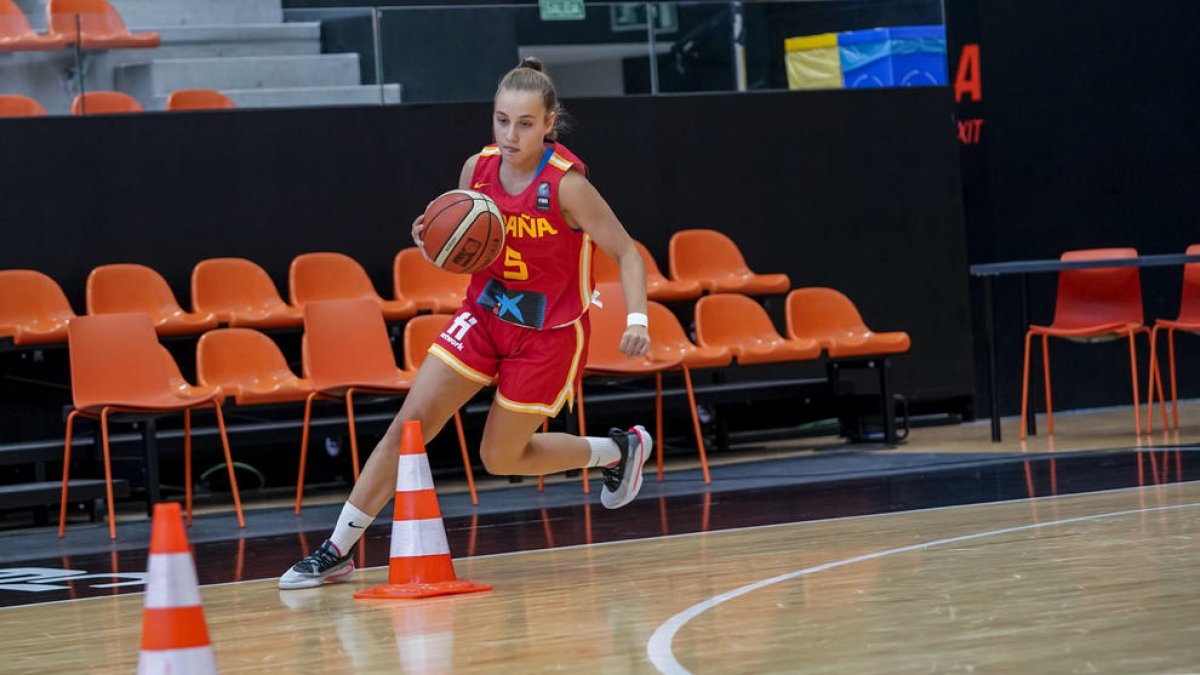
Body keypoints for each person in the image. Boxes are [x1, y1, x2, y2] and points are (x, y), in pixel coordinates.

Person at [280, 57, 652, 590]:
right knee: (409, 425)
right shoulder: (476, 169)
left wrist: (636, 317)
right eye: (502, 120)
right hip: (483, 315)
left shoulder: (567, 187)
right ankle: (337, 548)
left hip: (546, 335)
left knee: (499, 457)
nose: (510, 134)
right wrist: (434, 235)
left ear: (549, 123)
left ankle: (619, 450)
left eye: (524, 123)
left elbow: (627, 252)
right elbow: (466, 241)